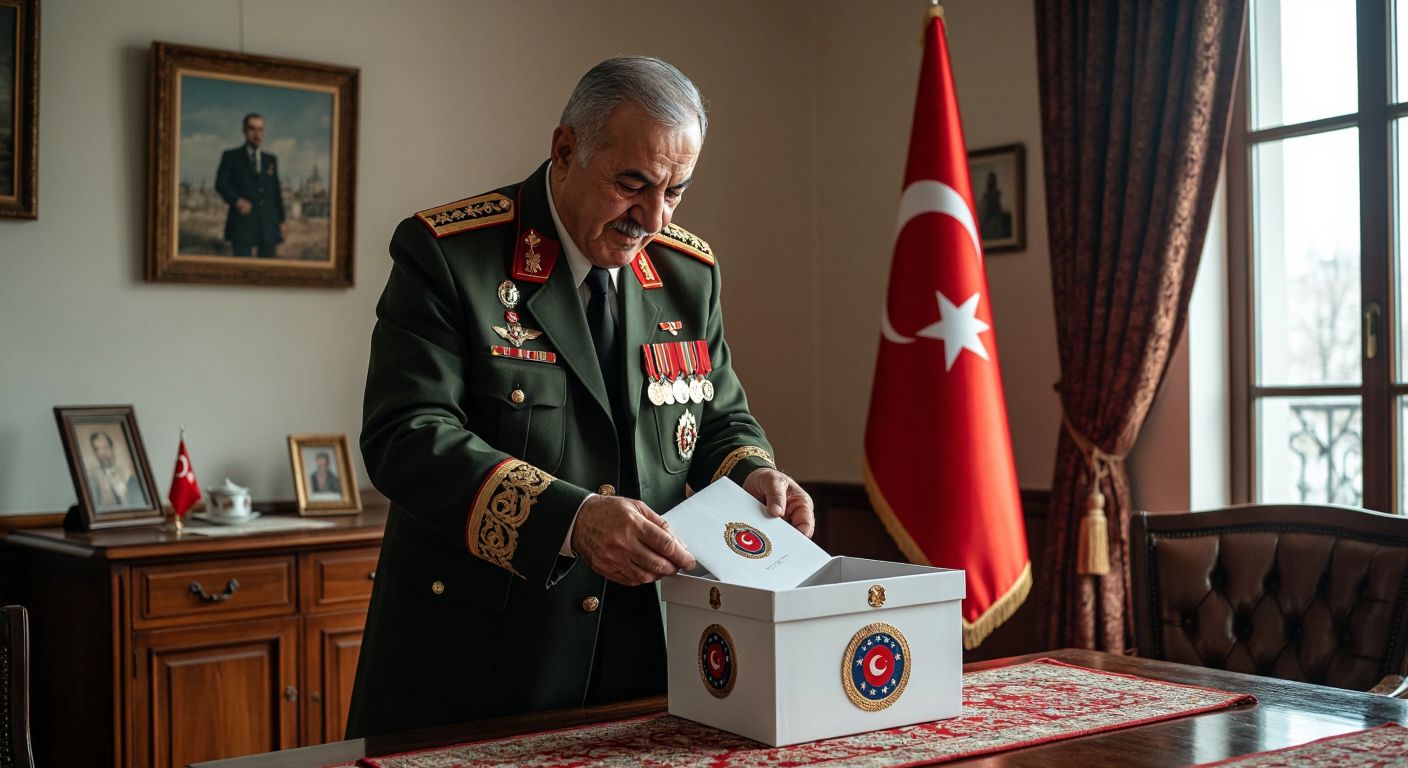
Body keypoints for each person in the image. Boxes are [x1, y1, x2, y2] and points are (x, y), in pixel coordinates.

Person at [347, 56, 815, 738]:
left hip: (647, 658)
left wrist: (755, 475)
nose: (653, 217)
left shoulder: (688, 272)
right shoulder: (451, 253)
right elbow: (406, 436)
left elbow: (717, 419)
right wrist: (572, 521)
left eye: (676, 191)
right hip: (482, 664)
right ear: (565, 150)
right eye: (634, 184)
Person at [215, 112, 287, 257]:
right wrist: (237, 200)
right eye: (252, 129)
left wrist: (281, 221)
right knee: (241, 271)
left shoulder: (270, 159)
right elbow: (221, 183)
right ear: (244, 130)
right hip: (242, 224)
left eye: (260, 129)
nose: (257, 134)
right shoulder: (231, 156)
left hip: (268, 226)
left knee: (267, 272)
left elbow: (275, 192)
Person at [86, 430, 145, 510]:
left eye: (105, 447)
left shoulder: (126, 474)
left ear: (112, 448)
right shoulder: (91, 477)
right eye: (97, 449)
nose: (102, 453)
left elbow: (138, 503)